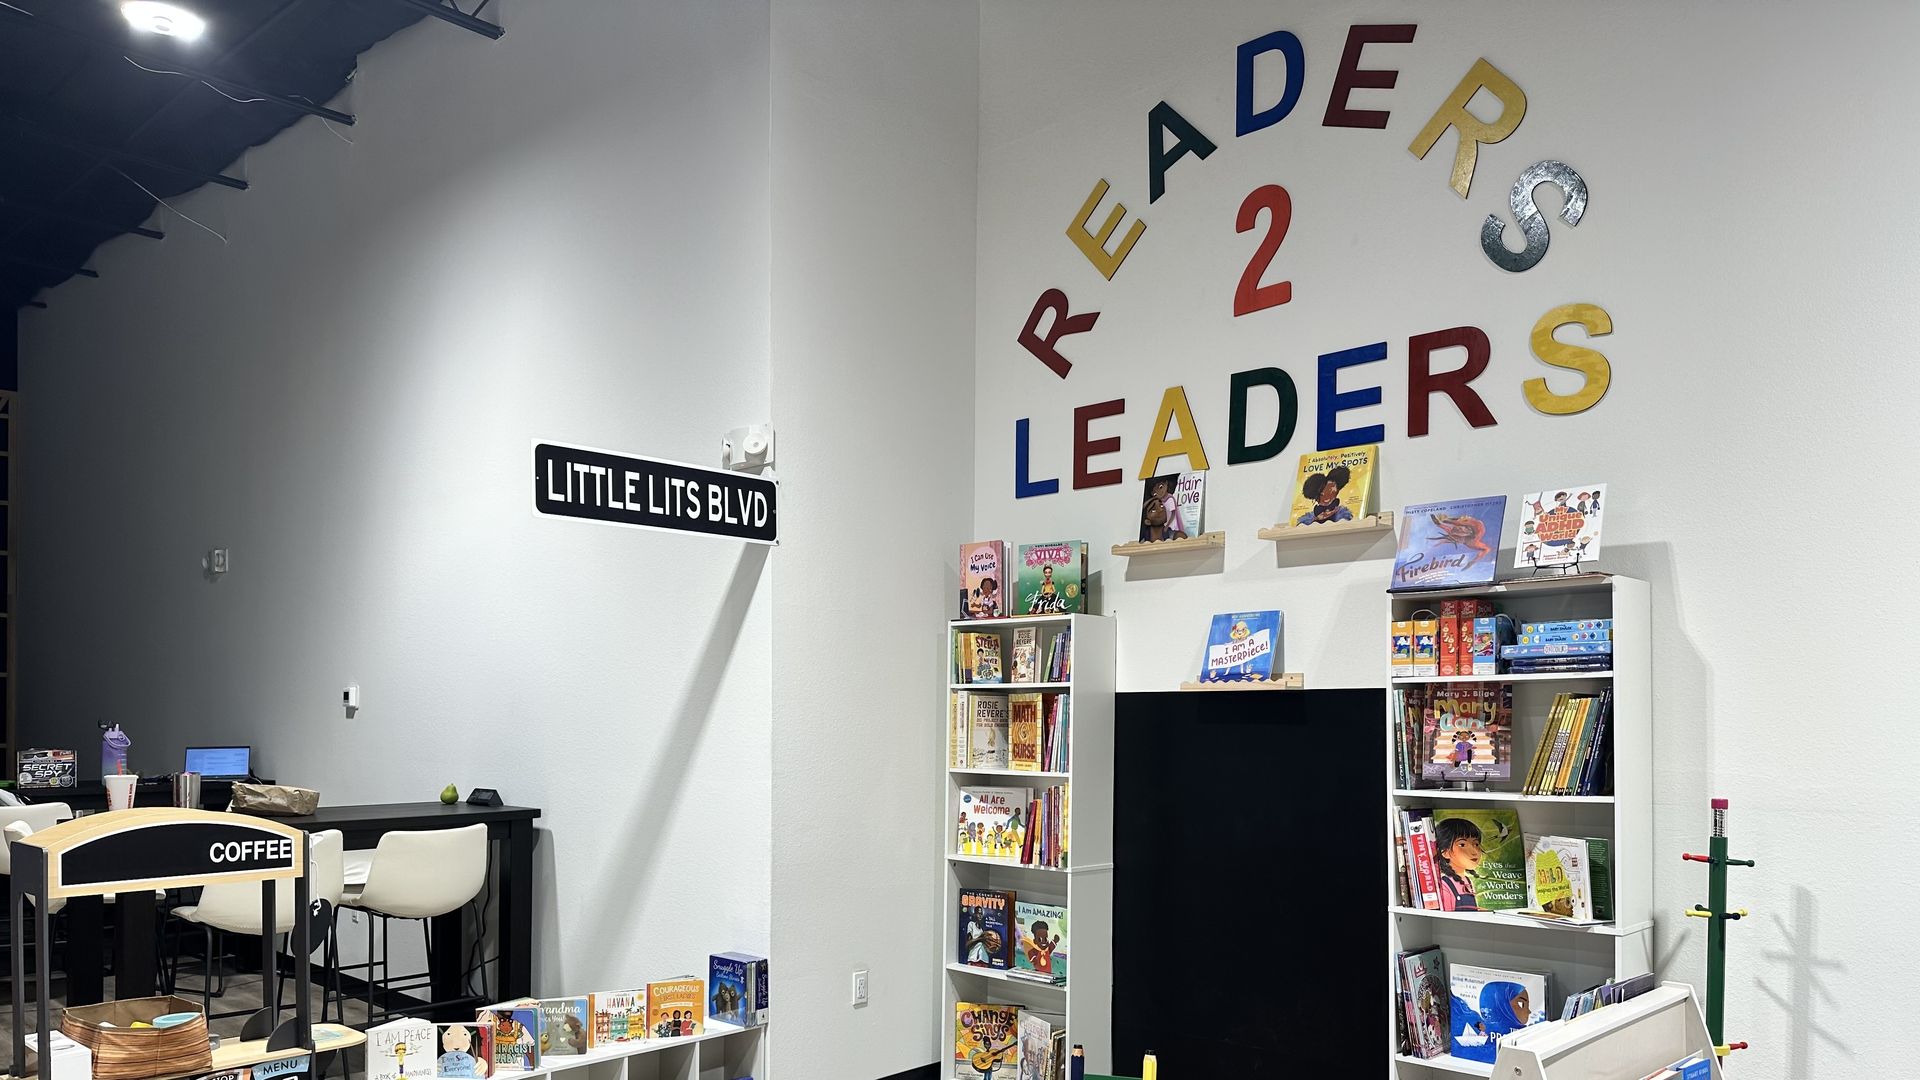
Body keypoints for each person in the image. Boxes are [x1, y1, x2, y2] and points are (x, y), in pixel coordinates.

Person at [1433, 815, 1484, 911]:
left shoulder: (1468, 881)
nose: (1474, 851)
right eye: (1462, 845)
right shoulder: (1445, 885)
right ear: (1445, 852)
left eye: (1476, 844)